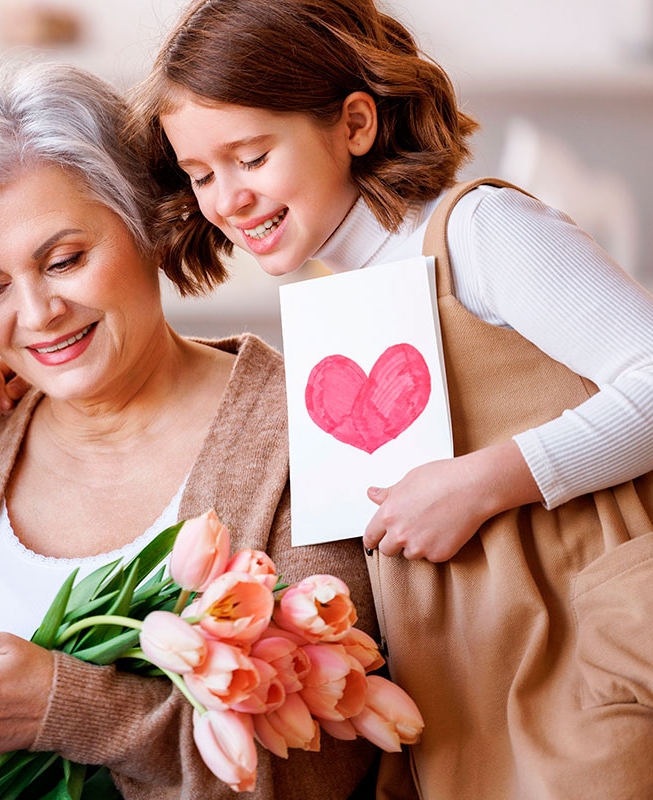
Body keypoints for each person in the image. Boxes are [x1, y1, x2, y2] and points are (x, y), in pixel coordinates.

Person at [103, 1, 653, 797]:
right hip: (463, 685)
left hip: (581, 653)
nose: (226, 200)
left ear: (355, 123)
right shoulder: (347, 306)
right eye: (200, 174)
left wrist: (485, 481)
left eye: (251, 157)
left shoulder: (479, 231)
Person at [0, 61, 380, 800]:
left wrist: (62, 707)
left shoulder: (312, 431)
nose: (38, 312)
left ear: (148, 221)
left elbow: (323, 767)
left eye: (66, 260)